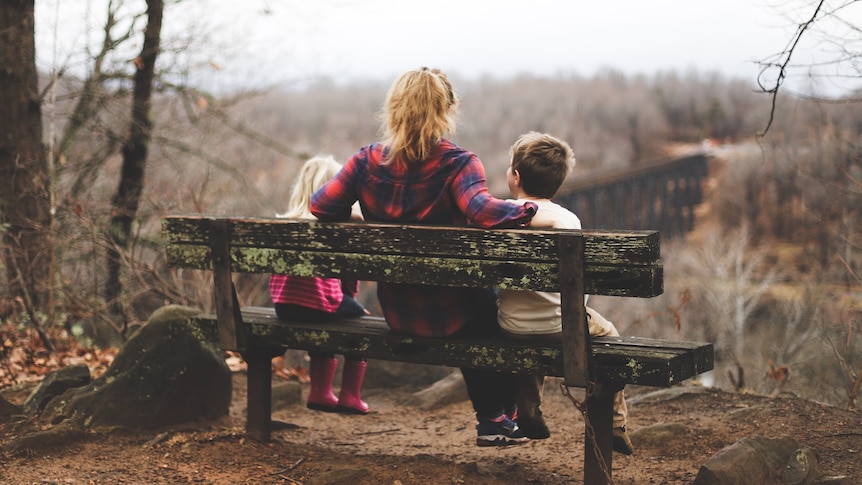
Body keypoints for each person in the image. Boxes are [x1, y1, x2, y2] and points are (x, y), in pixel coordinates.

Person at [310, 67, 537, 447]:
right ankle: (498, 416)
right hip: (457, 314)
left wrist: (358, 215)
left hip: (400, 312)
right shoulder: (458, 163)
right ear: (447, 110)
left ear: (394, 109)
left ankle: (499, 417)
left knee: (478, 305)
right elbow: (482, 211)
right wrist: (528, 209)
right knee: (493, 308)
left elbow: (321, 206)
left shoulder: (365, 161)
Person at [496, 131, 634, 455]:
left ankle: (528, 411)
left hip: (511, 325)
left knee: (529, 329)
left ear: (515, 177)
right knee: (609, 335)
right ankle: (616, 422)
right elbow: (578, 287)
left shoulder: (499, 215)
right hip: (562, 325)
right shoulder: (568, 219)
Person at [269, 155, 371, 415]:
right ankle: (350, 396)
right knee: (360, 320)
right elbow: (348, 276)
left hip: (284, 306)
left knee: (325, 312)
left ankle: (320, 392)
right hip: (319, 305)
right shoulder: (334, 226)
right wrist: (352, 302)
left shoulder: (285, 223)